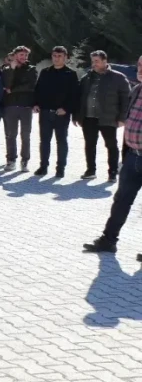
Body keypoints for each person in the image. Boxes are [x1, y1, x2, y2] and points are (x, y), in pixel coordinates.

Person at [83, 55, 142, 254]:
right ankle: (108, 241)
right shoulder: (136, 90)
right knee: (121, 200)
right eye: (139, 65)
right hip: (133, 157)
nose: (140, 69)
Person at [75, 50, 132, 181]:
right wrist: (77, 115)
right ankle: (90, 171)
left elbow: (126, 99)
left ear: (105, 61)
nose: (93, 64)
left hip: (108, 118)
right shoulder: (87, 78)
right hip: (89, 117)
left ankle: (112, 173)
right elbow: (80, 98)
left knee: (111, 145)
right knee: (89, 145)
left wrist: (123, 118)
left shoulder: (118, 78)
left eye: (97, 61)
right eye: (92, 61)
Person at [34, 45, 79, 178]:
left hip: (62, 114)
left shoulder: (71, 74)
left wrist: (66, 109)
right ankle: (43, 166)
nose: (56, 58)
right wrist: (36, 104)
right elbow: (38, 90)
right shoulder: (45, 72)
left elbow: (75, 95)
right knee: (44, 141)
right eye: (54, 56)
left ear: (65, 57)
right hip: (45, 112)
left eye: (60, 56)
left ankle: (60, 168)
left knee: (61, 141)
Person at [0, 45, 39, 172]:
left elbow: (30, 86)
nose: (24, 57)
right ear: (15, 55)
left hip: (26, 106)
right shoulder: (6, 69)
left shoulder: (31, 69)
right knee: (11, 134)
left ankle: (25, 161)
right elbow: (6, 84)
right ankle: (11, 160)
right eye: (21, 55)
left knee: (25, 135)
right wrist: (11, 69)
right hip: (10, 105)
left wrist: (13, 89)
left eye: (26, 55)